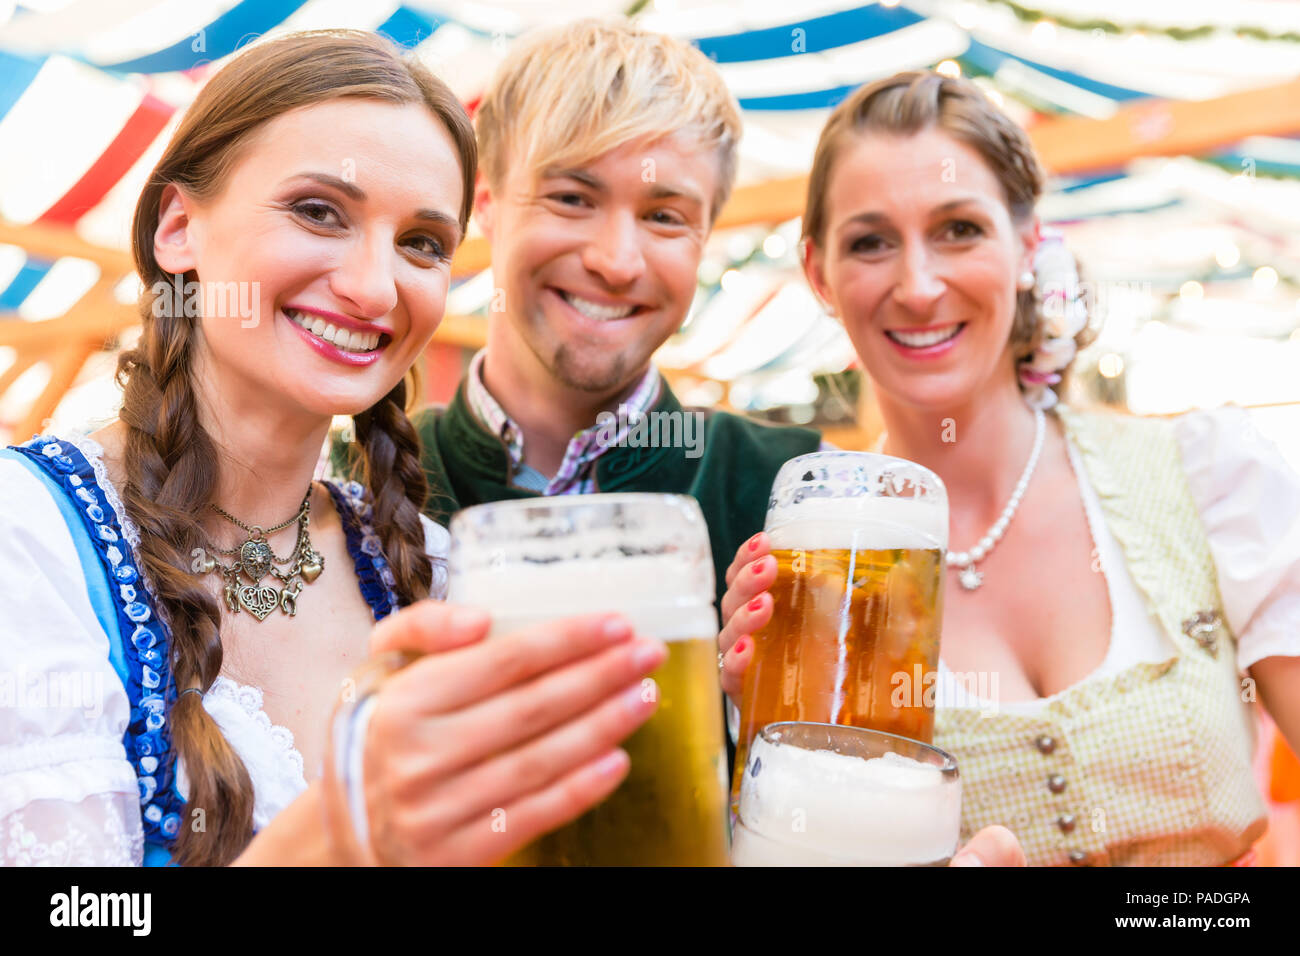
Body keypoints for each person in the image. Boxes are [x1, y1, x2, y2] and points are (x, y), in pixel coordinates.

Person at [0, 30, 668, 867]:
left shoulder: (430, 565)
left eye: (421, 243)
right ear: (178, 227)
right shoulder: (28, 542)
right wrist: (337, 837)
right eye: (319, 212)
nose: (374, 286)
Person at [389, 20, 1023, 867]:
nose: (616, 260)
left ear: (704, 238)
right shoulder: (361, 479)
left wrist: (744, 717)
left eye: (664, 215)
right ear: (489, 206)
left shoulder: (806, 504)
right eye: (573, 197)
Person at [718, 70, 1300, 866]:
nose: (919, 286)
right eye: (871, 241)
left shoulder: (1207, 479)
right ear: (818, 273)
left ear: (1028, 245)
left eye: (958, 228)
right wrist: (770, 772)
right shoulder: (814, 576)